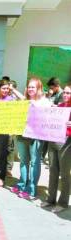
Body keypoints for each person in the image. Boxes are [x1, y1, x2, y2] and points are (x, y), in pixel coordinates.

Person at [10, 78, 51, 199]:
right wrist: (12, 89)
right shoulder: (25, 100)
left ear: (39, 88)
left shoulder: (45, 101)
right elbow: (22, 98)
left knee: (34, 162)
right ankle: (22, 183)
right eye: (29, 87)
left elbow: (47, 115)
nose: (30, 89)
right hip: (22, 134)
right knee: (23, 161)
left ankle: (31, 188)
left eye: (33, 87)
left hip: (36, 136)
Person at [40, 84, 71, 213]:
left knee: (64, 174)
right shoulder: (60, 106)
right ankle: (50, 199)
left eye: (68, 93)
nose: (65, 95)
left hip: (66, 142)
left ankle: (63, 203)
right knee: (53, 171)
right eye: (64, 92)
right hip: (53, 140)